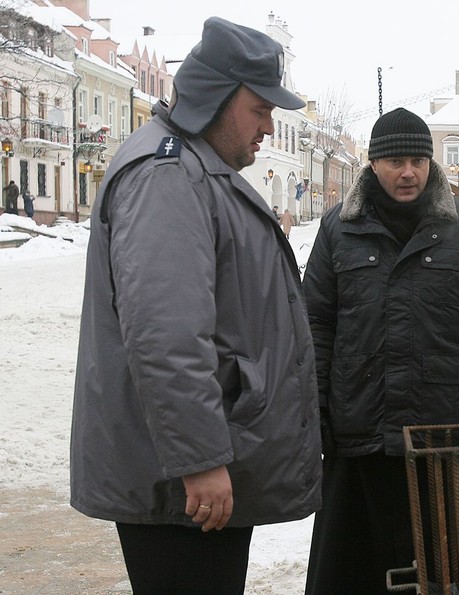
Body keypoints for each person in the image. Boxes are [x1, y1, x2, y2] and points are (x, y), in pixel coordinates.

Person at [70, 17, 322, 594]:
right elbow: (166, 335)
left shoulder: (195, 168)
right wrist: (202, 461)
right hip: (180, 485)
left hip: (193, 471)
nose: (268, 126)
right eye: (259, 109)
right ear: (215, 96)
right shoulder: (167, 175)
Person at [302, 107, 459, 594]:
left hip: (438, 433)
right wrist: (316, 407)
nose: (408, 172)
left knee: (444, 575)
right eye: (395, 160)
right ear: (373, 164)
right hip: (360, 432)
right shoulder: (339, 228)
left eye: (418, 159)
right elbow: (316, 322)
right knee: (352, 574)